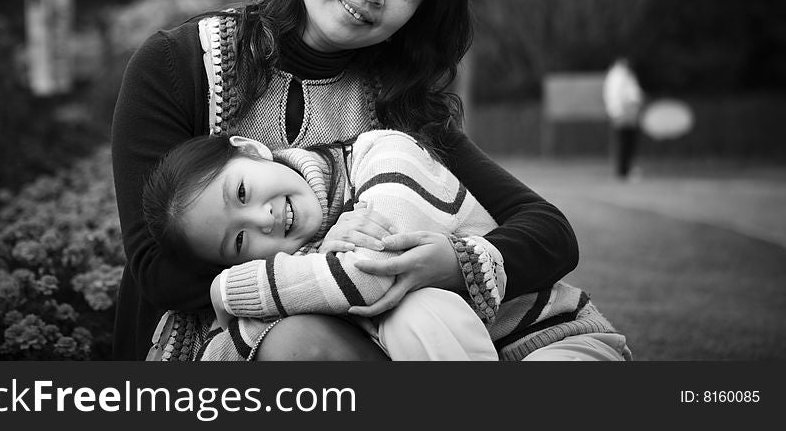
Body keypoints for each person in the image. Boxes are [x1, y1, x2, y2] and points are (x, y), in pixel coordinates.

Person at [111, 0, 580, 361]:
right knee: (299, 345)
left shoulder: (401, 105)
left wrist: (454, 263)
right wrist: (324, 263)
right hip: (210, 344)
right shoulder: (181, 63)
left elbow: (551, 233)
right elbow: (156, 268)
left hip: (374, 343)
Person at [141, 130, 629, 362]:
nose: (262, 218)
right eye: (240, 241)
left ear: (251, 151)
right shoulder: (303, 269)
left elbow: (373, 273)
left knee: (416, 306)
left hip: (554, 342)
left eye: (242, 192)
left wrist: (230, 292)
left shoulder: (382, 154)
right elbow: (235, 349)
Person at [603, 57, 645, 179]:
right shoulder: (618, 75)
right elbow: (618, 95)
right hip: (623, 112)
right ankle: (622, 171)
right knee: (623, 142)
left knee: (628, 142)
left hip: (628, 112)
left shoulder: (625, 74)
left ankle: (625, 170)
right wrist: (620, 111)